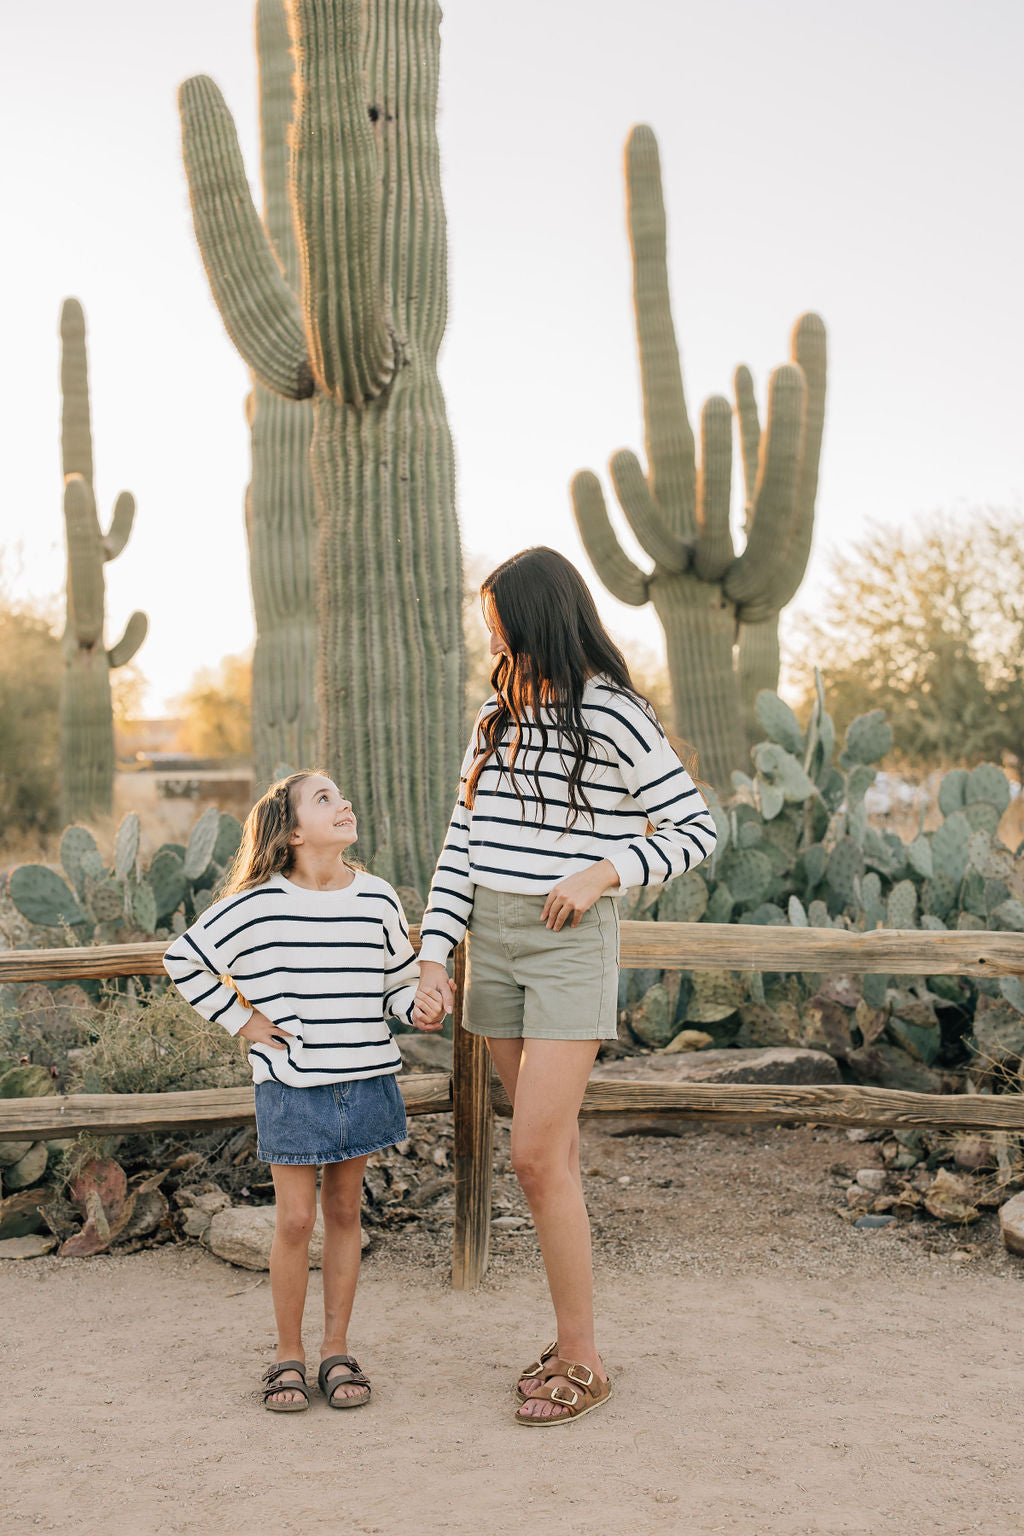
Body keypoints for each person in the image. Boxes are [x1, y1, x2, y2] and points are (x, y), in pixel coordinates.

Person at [415, 547, 717, 1426]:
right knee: (556, 1158)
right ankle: (569, 1334)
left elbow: (695, 827)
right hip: (493, 944)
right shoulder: (495, 714)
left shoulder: (616, 714)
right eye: (488, 628)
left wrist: (604, 873)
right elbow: (459, 845)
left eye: (503, 624)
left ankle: (584, 1357)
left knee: (535, 1156)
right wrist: (436, 954)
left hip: (569, 944)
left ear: (543, 616)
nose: (495, 639)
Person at [164, 771, 444, 1412]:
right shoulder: (254, 904)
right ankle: (286, 1356)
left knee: (346, 1215)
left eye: (343, 795)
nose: (344, 803)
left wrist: (418, 1005)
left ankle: (335, 1352)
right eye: (325, 799)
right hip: (292, 1086)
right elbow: (184, 959)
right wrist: (244, 1021)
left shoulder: (377, 899)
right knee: (294, 1221)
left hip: (366, 1076)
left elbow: (395, 986)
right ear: (291, 832)